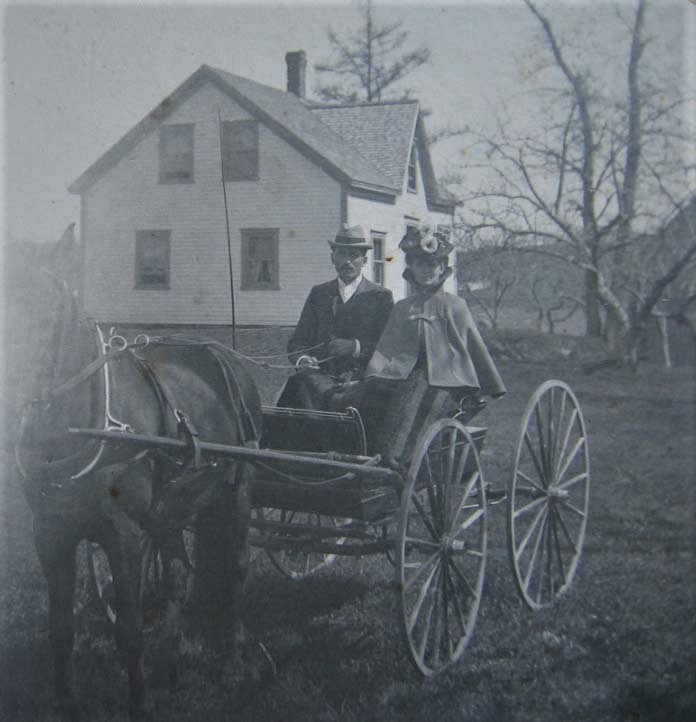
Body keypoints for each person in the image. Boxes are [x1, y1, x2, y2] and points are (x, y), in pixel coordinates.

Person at [357, 225, 506, 465]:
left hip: (447, 382)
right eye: (419, 264)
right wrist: (372, 375)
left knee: (417, 392)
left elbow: (473, 348)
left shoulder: (455, 306)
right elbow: (387, 349)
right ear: (411, 268)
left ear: (442, 269)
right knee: (370, 394)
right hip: (403, 375)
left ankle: (397, 458)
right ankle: (366, 455)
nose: (425, 270)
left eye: (431, 265)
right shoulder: (403, 308)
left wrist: (488, 386)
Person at [276, 224, 394, 411]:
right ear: (333, 258)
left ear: (364, 260)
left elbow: (388, 349)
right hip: (318, 379)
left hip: (361, 381)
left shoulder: (380, 297)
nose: (347, 261)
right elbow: (297, 342)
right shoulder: (319, 294)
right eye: (342, 254)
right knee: (293, 393)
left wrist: (355, 347)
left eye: (353, 255)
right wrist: (304, 360)